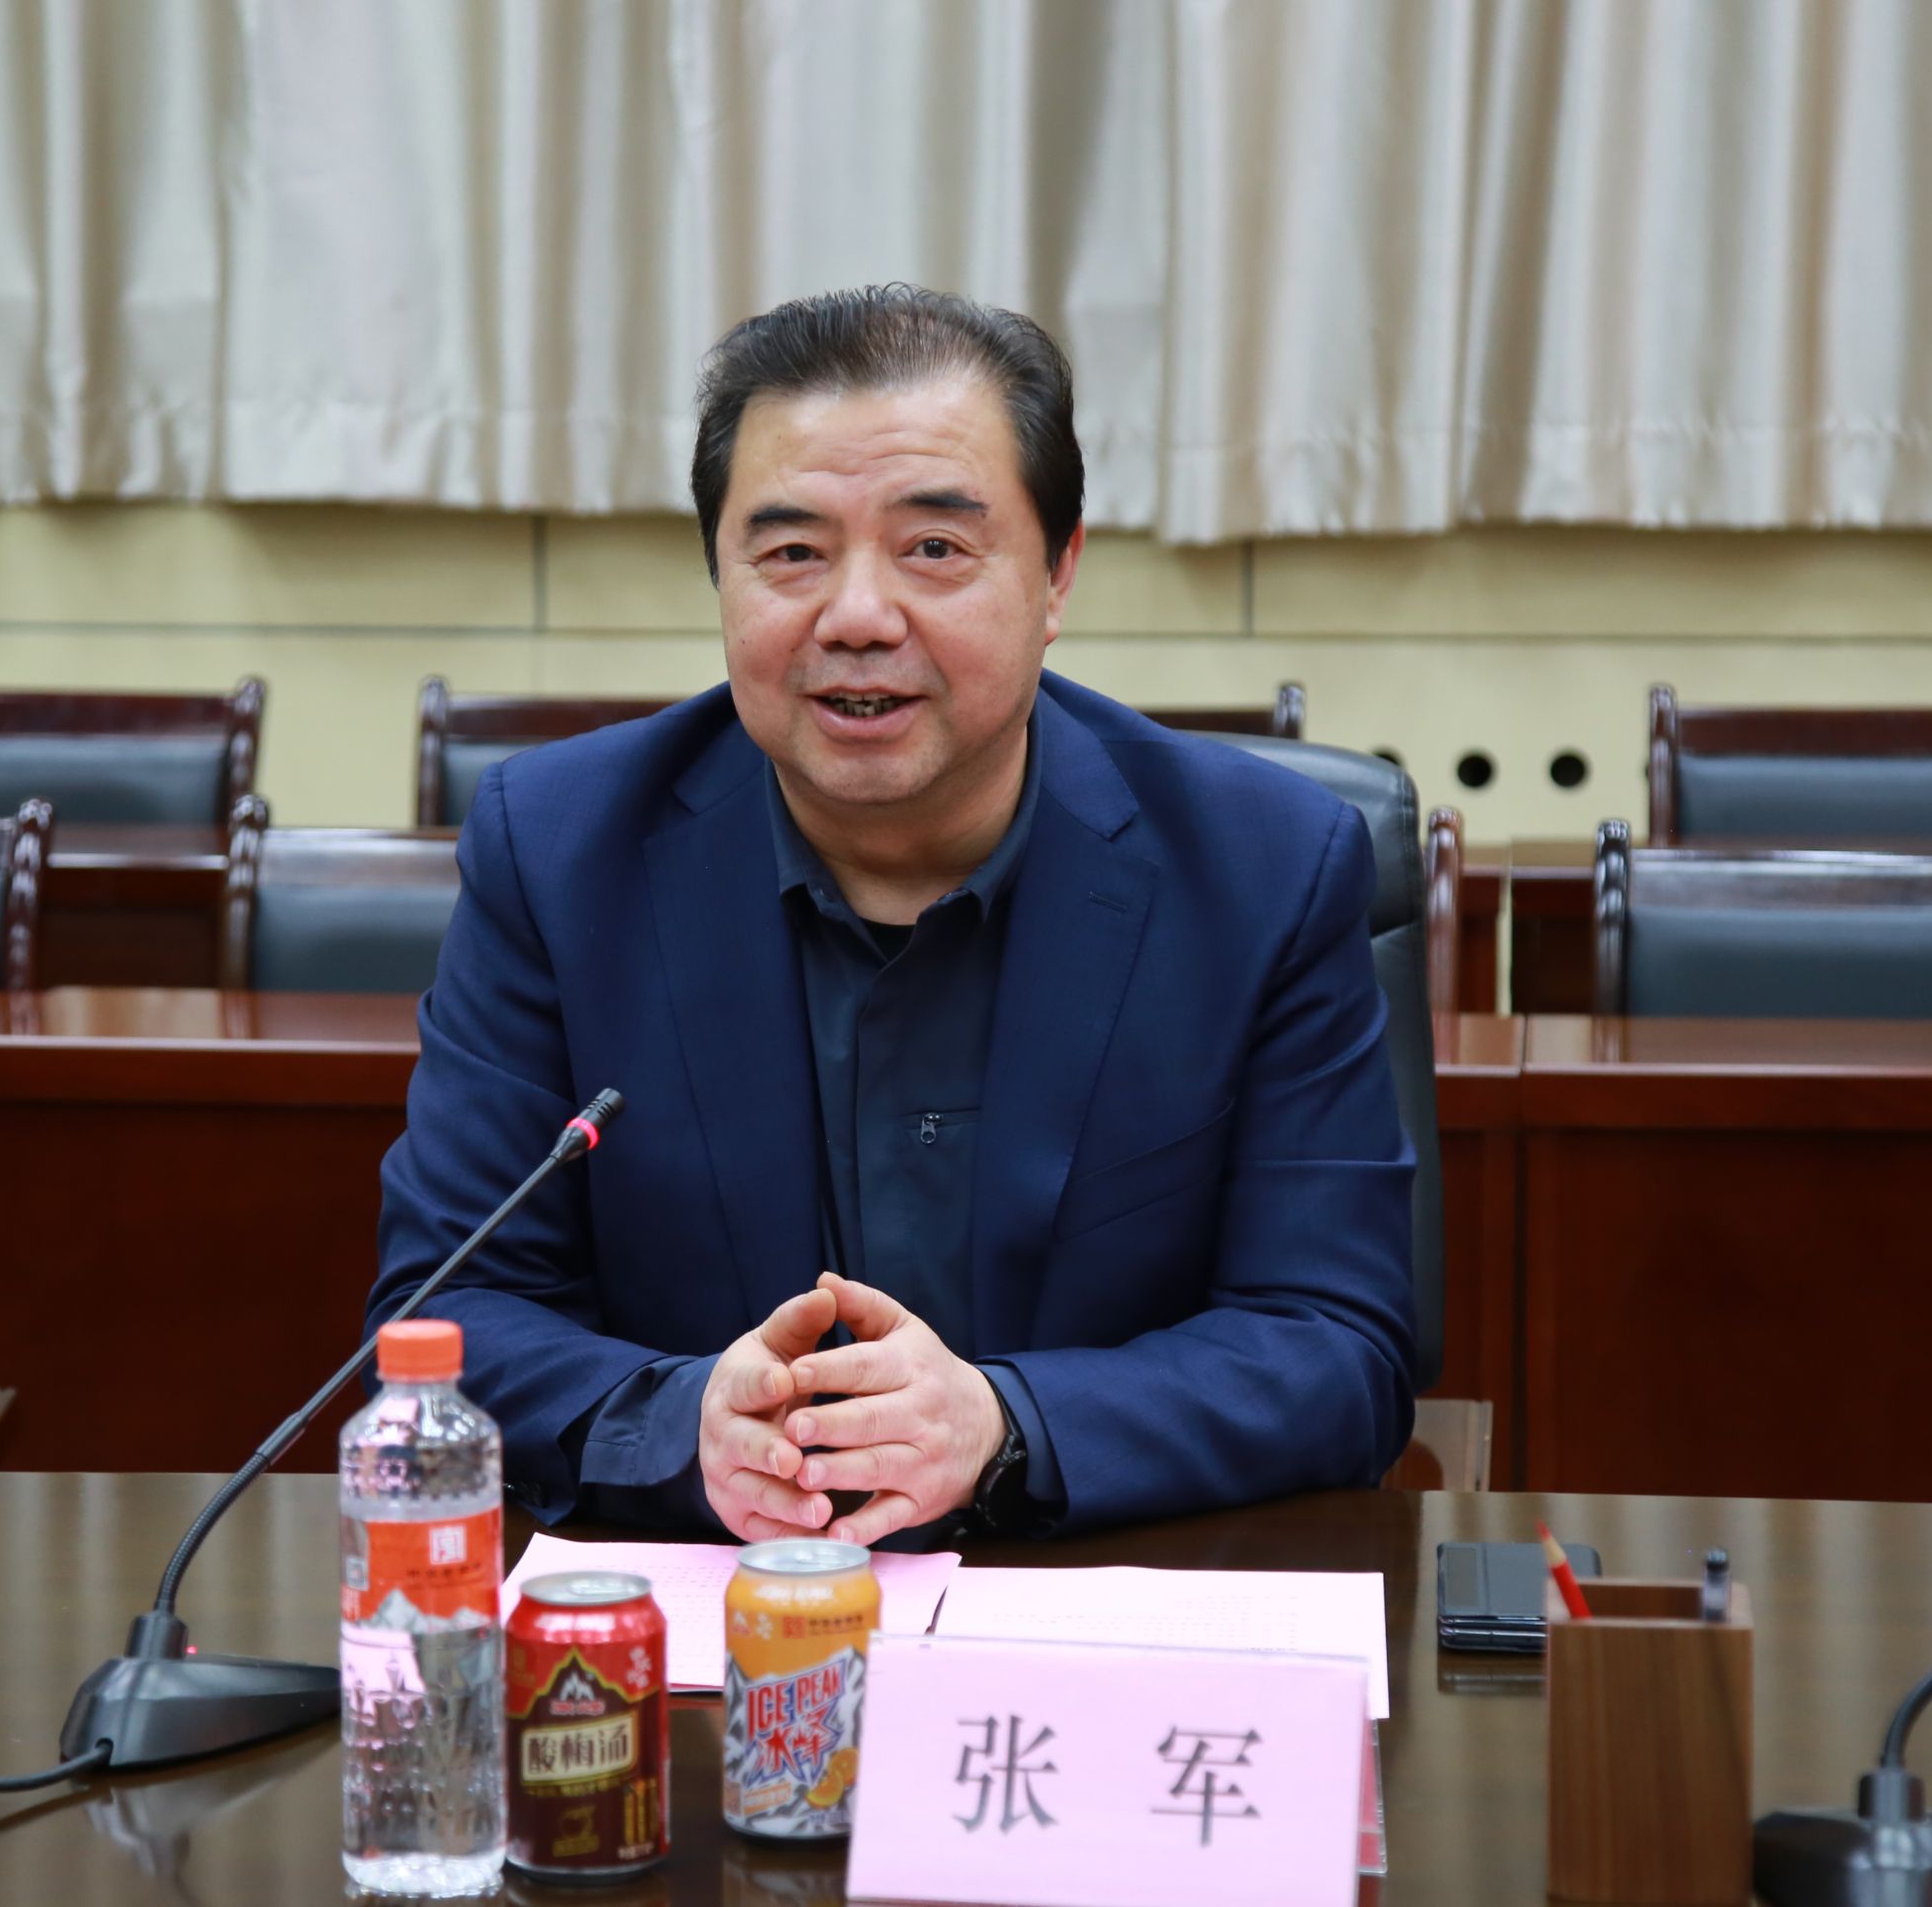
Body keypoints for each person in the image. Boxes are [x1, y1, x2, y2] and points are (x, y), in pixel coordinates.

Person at [370, 284, 1414, 1545]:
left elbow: (1336, 1344)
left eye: (933, 549)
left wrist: (1004, 1422)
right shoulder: (559, 851)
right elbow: (447, 1313)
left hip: (1096, 1593)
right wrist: (683, 1419)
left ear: (1056, 574)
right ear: (720, 577)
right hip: (723, 1603)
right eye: (791, 554)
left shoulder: (1261, 868)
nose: (858, 617)